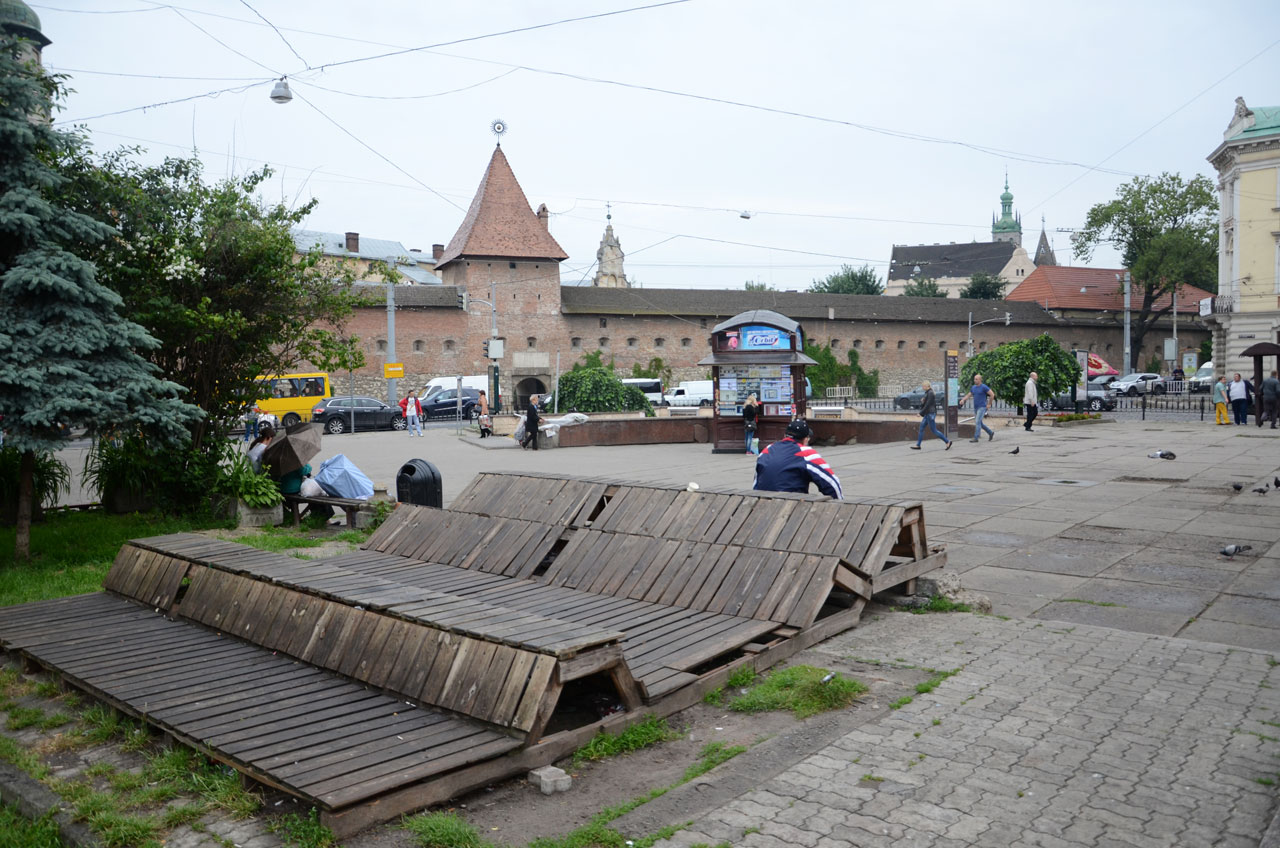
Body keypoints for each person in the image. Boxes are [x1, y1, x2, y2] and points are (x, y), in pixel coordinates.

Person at [753, 419, 842, 499]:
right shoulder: (806, 453)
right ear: (805, 439)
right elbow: (832, 484)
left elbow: (756, 482)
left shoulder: (767, 449)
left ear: (785, 435)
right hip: (792, 505)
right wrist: (839, 503)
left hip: (761, 503)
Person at [910, 380, 952, 451]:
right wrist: (923, 401)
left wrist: (920, 413)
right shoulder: (928, 393)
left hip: (930, 414)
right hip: (928, 414)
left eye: (923, 386)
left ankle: (947, 441)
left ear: (927, 386)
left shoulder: (930, 393)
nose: (922, 387)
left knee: (934, 430)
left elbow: (928, 405)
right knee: (921, 428)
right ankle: (918, 445)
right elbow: (925, 404)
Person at [960, 374, 995, 442]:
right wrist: (963, 400)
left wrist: (989, 404)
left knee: (977, 422)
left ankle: (976, 437)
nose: (975, 380)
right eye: (974, 379)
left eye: (976, 379)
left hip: (982, 407)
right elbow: (969, 395)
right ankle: (990, 433)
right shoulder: (973, 387)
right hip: (976, 407)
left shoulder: (984, 387)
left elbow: (992, 394)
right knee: (980, 423)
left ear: (980, 380)